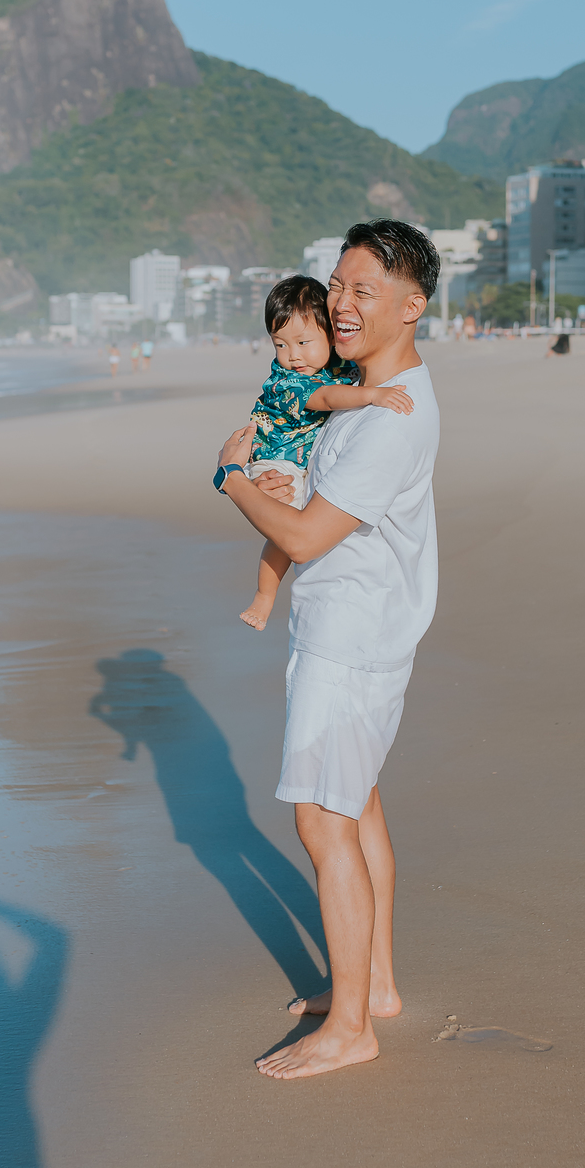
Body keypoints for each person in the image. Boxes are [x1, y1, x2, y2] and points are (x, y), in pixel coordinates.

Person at [214, 219, 441, 1079]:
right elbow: (322, 498)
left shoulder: (390, 416)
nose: (341, 304)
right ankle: (372, 985)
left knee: (321, 817)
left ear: (411, 306)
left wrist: (234, 480)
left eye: (364, 291)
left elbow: (306, 541)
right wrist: (287, 479)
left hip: (350, 643)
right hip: (361, 630)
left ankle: (350, 1027)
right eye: (337, 286)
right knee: (360, 804)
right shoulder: (371, 388)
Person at [239, 274, 413, 631]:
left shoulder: (337, 365)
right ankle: (264, 594)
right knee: (286, 530)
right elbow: (325, 398)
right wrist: (372, 395)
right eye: (280, 345)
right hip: (277, 458)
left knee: (298, 521)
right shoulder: (288, 381)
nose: (293, 356)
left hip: (300, 457)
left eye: (303, 342)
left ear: (330, 335)